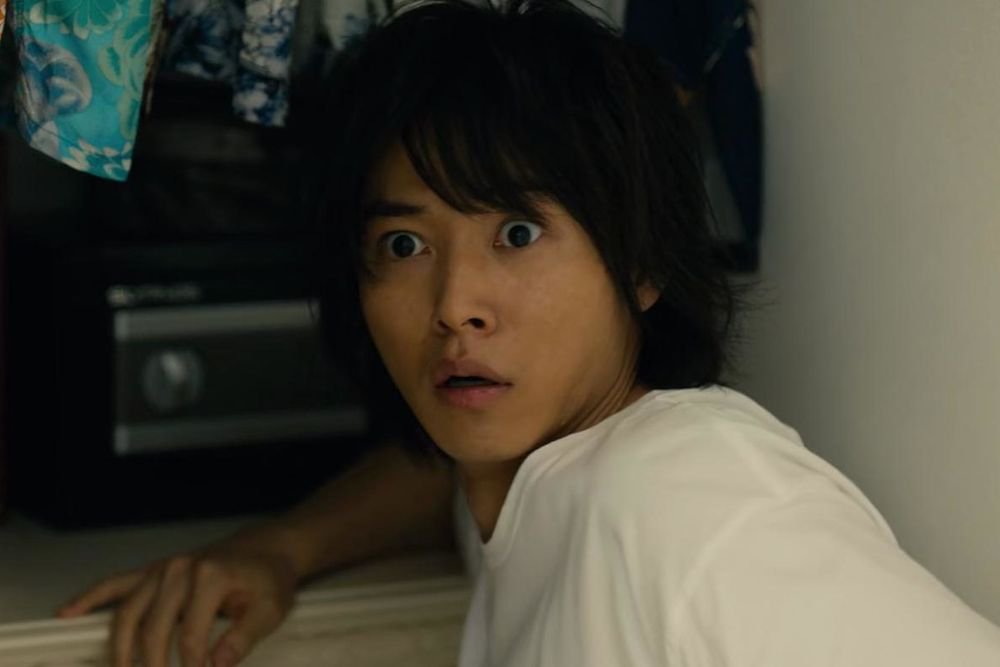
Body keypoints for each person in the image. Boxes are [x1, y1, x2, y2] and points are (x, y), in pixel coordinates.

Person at [59, 1, 1000, 666]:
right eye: (403, 244)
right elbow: (439, 480)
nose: (454, 304)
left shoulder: (695, 503)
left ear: (641, 261)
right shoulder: (532, 468)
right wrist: (280, 547)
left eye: (516, 233)